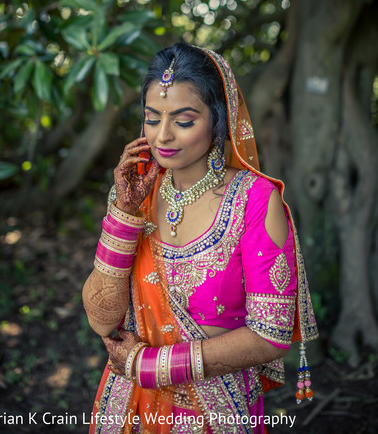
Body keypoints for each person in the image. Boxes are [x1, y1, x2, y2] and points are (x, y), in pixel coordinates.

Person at [82, 43, 318, 434]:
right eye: (152, 118)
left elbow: (271, 334)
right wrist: (123, 215)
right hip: (131, 407)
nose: (163, 136)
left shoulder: (254, 200)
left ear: (218, 120)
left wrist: (151, 366)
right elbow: (101, 322)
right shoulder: (138, 193)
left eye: (184, 120)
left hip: (213, 411)